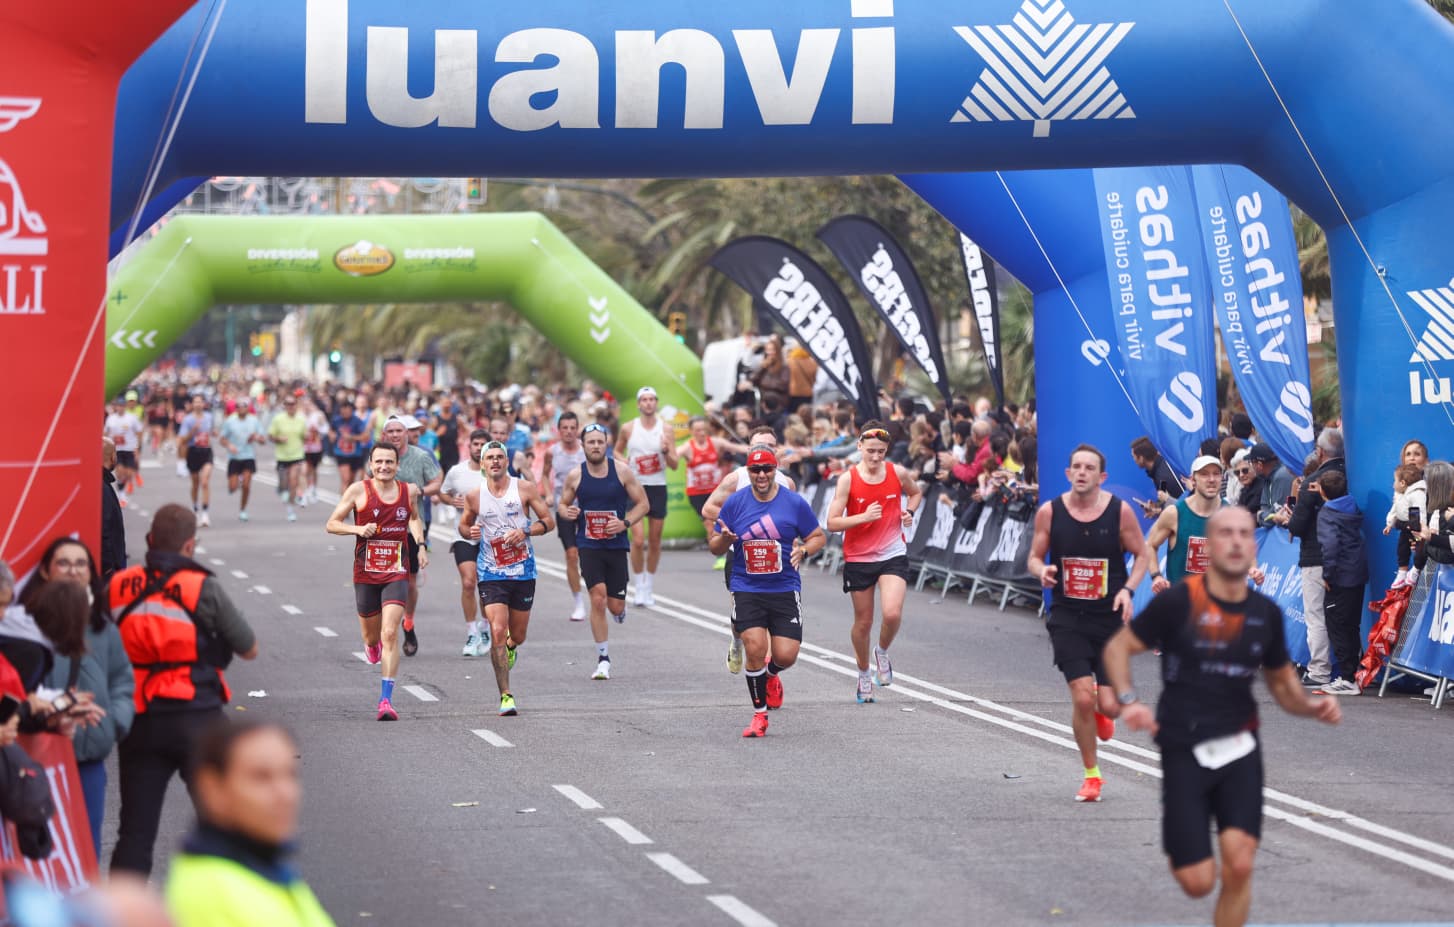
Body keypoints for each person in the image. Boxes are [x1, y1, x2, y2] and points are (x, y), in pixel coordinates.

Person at [1101, 507, 1340, 927]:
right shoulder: (1179, 601)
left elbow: (1283, 686)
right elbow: (1118, 649)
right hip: (1183, 748)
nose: (1235, 541)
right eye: (1225, 533)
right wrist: (1128, 699)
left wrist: (1311, 705)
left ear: (1253, 547)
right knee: (1198, 881)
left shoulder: (1264, 613)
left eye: (1244, 534)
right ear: (1209, 546)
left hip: (1239, 747)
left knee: (1241, 864)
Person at [108, 504, 259, 877]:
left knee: (135, 834)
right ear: (190, 546)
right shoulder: (202, 587)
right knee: (224, 822)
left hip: (139, 718)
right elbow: (248, 647)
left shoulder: (117, 587)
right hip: (199, 717)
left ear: (149, 540)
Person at [1026, 443, 1150, 802]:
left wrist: (1128, 589)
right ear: (1068, 474)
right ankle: (1092, 775)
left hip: (1109, 617)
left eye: (1089, 468)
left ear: (1102, 476)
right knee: (1081, 697)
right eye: (1076, 466)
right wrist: (1043, 570)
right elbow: (1034, 557)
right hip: (1067, 615)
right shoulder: (1050, 512)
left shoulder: (1119, 512)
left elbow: (1142, 555)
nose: (1082, 472)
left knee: (1110, 706)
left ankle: (1101, 703)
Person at [166, 720, 336, 927]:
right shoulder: (214, 894)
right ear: (213, 788)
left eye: (290, 775)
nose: (285, 794)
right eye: (261, 778)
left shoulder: (264, 866)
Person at [709, 447, 827, 737]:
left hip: (784, 587)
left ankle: (771, 673)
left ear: (776, 470)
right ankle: (759, 716)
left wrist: (803, 549)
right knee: (754, 647)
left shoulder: (794, 502)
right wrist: (724, 540)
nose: (761, 475)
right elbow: (714, 546)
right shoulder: (735, 503)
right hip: (746, 586)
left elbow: (818, 536)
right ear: (748, 473)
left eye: (767, 469)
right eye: (755, 470)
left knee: (786, 655)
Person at [29, 538, 135, 857]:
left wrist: (113, 722)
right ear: (46, 572)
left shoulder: (103, 627)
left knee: (85, 852)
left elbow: (122, 682)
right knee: (38, 855)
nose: (73, 571)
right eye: (63, 563)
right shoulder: (26, 625)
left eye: (81, 563)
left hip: (88, 763)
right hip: (37, 759)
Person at [324, 443, 427, 721]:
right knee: (372, 638)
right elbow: (332, 523)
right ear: (371, 464)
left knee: (390, 632)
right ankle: (371, 647)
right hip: (366, 573)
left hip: (396, 571)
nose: (384, 467)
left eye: (389, 462)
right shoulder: (359, 491)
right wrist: (357, 528)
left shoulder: (409, 491)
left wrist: (420, 544)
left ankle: (385, 700)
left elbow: (414, 519)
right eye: (379, 462)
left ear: (397, 465)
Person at [826, 422, 925, 705]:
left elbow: (915, 493)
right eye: (870, 451)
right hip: (858, 557)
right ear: (859, 447)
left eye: (881, 451)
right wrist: (862, 518)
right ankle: (863, 672)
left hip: (892, 552)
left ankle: (881, 652)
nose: (875, 457)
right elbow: (832, 523)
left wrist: (909, 512)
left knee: (892, 614)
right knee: (864, 622)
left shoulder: (897, 472)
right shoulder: (847, 479)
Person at [462, 441, 554, 716]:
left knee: (519, 634)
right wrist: (470, 532)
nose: (495, 462)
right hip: (491, 573)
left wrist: (526, 531)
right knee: (498, 630)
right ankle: (506, 695)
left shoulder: (523, 488)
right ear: (482, 464)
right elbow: (463, 524)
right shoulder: (474, 496)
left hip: (523, 571)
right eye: (489, 457)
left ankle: (512, 646)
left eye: (499, 457)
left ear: (506, 461)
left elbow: (548, 521)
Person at [701, 425, 797, 674]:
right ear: (749, 450)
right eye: (757, 446)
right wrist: (739, 524)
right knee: (742, 617)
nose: (763, 450)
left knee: (769, 623)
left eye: (769, 446)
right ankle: (736, 641)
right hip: (741, 555)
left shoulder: (787, 483)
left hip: (776, 561)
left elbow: (795, 522)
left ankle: (769, 674)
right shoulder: (737, 478)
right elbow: (709, 508)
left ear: (777, 451)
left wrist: (796, 546)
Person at [559, 424, 649, 680]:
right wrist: (568, 512)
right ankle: (603, 658)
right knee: (597, 598)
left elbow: (643, 504)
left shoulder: (622, 472)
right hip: (589, 545)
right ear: (583, 445)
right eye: (591, 442)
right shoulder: (575, 476)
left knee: (614, 604)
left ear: (606, 444)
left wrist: (625, 523)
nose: (596, 446)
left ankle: (620, 611)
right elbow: (562, 505)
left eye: (600, 442)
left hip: (616, 546)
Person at [369, 415, 442, 656]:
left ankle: (407, 622)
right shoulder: (378, 456)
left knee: (409, 582)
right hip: (381, 528)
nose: (395, 435)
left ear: (407, 433)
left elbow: (437, 481)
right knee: (380, 581)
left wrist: (420, 490)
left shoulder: (420, 456)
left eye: (399, 430)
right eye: (390, 431)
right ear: (384, 435)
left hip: (412, 524)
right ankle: (382, 631)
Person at [1287, 427, 1345, 687]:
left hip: (1316, 557)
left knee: (1317, 616)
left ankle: (1320, 671)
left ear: (1320, 452)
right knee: (1344, 616)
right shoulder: (1353, 475)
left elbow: (1297, 525)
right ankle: (1349, 669)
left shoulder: (1314, 481)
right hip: (1349, 555)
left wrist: (1288, 520)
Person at [614, 386, 679, 607]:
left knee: (654, 540)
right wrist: (624, 463)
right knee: (638, 540)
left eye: (652, 399)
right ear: (639, 404)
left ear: (656, 403)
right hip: (635, 487)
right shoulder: (628, 428)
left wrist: (665, 451)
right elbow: (615, 451)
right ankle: (639, 584)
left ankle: (649, 586)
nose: (649, 403)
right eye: (645, 399)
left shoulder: (666, 429)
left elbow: (674, 464)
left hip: (657, 486)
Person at [1316, 470, 1368, 695]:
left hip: (1340, 577)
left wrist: (1327, 575)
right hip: (1356, 573)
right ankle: (1353, 674)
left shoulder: (1328, 513)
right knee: (1351, 625)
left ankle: (1348, 678)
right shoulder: (1352, 506)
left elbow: (1330, 546)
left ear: (1323, 491)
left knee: (1337, 624)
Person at [441, 428, 489, 656]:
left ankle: (486, 628)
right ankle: (472, 633)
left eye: (483, 445)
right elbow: (443, 493)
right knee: (469, 582)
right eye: (476, 444)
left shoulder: (495, 472)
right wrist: (453, 501)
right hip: (464, 535)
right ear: (469, 446)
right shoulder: (456, 472)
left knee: (486, 586)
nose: (479, 448)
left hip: (490, 536)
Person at [1146, 456, 1225, 592]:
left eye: (1216, 474)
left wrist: (1252, 568)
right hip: (1182, 603)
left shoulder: (1231, 513)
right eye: (1204, 474)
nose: (1211, 479)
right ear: (1193, 480)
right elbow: (1150, 545)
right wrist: (1156, 576)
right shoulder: (1175, 513)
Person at [541, 411, 589, 622]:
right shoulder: (553, 452)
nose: (569, 432)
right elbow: (544, 474)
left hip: (588, 507)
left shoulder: (586, 450)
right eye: (565, 428)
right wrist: (549, 493)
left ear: (577, 429)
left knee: (589, 555)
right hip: (564, 508)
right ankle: (578, 602)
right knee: (571, 554)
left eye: (572, 427)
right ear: (558, 431)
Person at [219, 400, 265, 522]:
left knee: (246, 485)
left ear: (248, 408)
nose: (241, 408)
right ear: (236, 408)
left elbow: (262, 439)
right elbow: (222, 439)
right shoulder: (230, 421)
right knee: (233, 488)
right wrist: (229, 445)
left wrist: (257, 437)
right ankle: (235, 483)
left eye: (244, 406)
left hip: (248, 456)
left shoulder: (254, 421)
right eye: (239, 406)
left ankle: (243, 510)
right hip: (234, 457)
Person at [177, 395, 217, 527]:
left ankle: (205, 513)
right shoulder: (188, 420)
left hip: (206, 451)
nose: (198, 404)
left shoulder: (209, 417)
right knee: (195, 484)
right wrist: (193, 431)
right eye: (196, 402)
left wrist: (214, 433)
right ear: (192, 405)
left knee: (205, 482)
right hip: (193, 452)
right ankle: (195, 508)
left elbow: (212, 431)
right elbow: (182, 440)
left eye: (200, 402)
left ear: (203, 404)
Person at [268, 393, 308, 522]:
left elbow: (304, 436)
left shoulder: (301, 419)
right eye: (288, 404)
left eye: (293, 404)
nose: (290, 406)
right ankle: (281, 489)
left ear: (296, 405)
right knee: (284, 485)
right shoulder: (278, 419)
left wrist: (308, 436)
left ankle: (290, 509)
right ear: (284, 406)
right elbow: (270, 436)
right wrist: (278, 438)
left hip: (296, 455)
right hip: (282, 456)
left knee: (293, 481)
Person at [1386, 463, 1426, 589]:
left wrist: (1421, 528)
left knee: (1420, 549)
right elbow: (1394, 510)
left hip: (1416, 528)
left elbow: (1420, 511)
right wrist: (1389, 524)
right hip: (1404, 528)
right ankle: (1402, 573)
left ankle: (1415, 570)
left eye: (1395, 481)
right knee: (1402, 548)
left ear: (1402, 483)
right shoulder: (1399, 495)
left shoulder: (1417, 494)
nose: (1393, 484)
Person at [1131, 435, 1185, 516]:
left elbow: (1181, 509)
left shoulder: (1163, 477)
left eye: (1133, 457)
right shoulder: (1160, 471)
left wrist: (1159, 508)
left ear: (1141, 458)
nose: (1133, 460)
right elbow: (1166, 498)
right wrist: (1156, 507)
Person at [105, 399, 145, 507]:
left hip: (129, 449)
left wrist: (138, 446)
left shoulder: (132, 418)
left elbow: (139, 432)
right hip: (117, 449)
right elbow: (105, 433)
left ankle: (123, 487)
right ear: (116, 407)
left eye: (122, 406)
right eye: (118, 406)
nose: (120, 408)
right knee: (120, 472)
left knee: (129, 473)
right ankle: (121, 494)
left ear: (125, 407)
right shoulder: (111, 419)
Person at [1249, 444, 1295, 530]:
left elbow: (1278, 514)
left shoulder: (1282, 476)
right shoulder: (1267, 477)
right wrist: (1263, 515)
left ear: (1259, 465)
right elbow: (1265, 508)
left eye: (1251, 463)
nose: (1251, 466)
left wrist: (1260, 516)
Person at [101, 438, 128, 579]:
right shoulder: (102, 487)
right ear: (113, 457)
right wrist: (108, 565)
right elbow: (104, 527)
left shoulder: (101, 482)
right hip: (110, 568)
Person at [331, 398, 369, 492]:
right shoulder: (336, 420)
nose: (344, 414)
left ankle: (348, 501)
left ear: (351, 410)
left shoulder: (357, 421)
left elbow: (365, 437)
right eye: (342, 412)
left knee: (351, 481)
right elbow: (330, 430)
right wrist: (332, 435)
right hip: (341, 453)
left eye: (347, 411)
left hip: (355, 454)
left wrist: (352, 438)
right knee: (346, 478)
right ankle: (343, 504)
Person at [301, 397, 330, 506]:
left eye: (308, 404)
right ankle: (304, 494)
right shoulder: (299, 416)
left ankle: (313, 489)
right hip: (303, 448)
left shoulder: (318, 415)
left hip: (316, 447)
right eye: (304, 404)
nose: (306, 406)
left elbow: (326, 428)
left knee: (313, 469)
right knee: (304, 471)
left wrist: (318, 430)